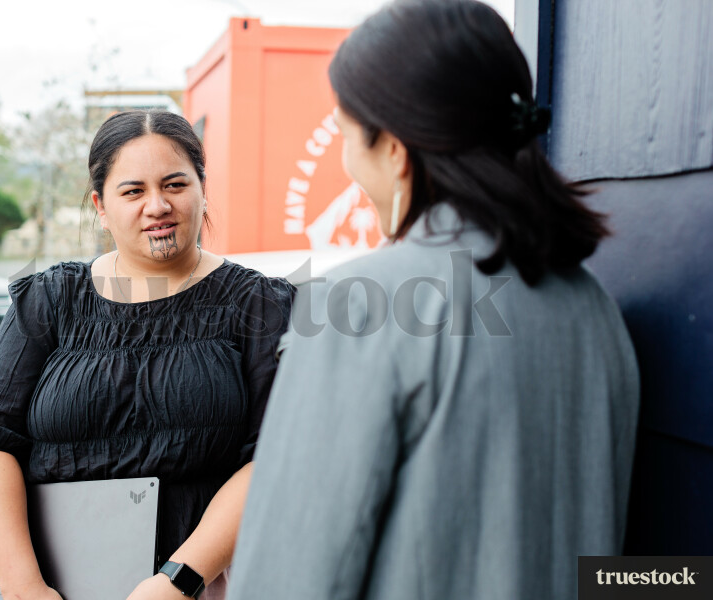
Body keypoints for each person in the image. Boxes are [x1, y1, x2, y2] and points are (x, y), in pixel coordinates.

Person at [228, 1, 640, 599]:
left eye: (346, 134)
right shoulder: (593, 305)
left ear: (393, 149)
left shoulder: (361, 305)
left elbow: (286, 581)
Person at [0, 110, 295, 600]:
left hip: (204, 583)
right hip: (54, 586)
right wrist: (23, 586)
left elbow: (277, 454)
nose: (157, 206)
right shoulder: (49, 300)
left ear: (202, 188)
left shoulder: (259, 304)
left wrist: (179, 580)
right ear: (101, 206)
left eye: (175, 184)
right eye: (133, 191)